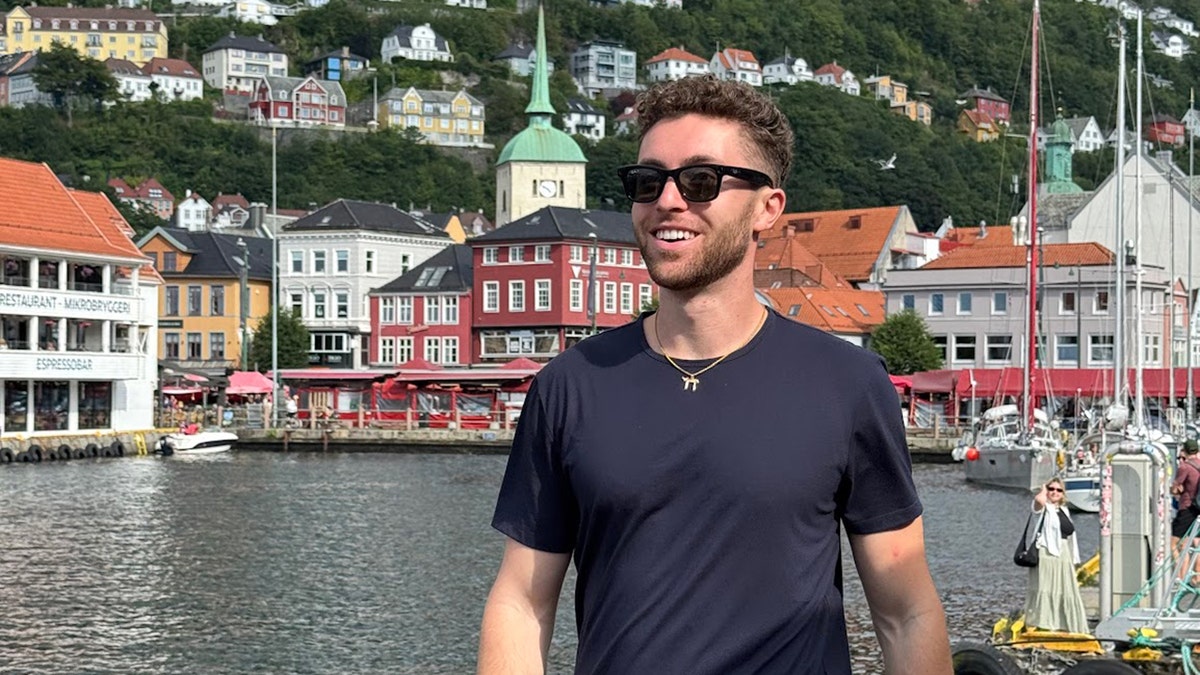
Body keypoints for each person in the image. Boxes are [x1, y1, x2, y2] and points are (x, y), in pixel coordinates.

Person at [478, 75, 951, 674]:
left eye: (700, 180)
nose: (668, 201)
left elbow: (906, 612)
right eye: (648, 181)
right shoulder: (571, 386)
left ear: (767, 208)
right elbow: (521, 603)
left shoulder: (848, 384)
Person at [1024, 478, 1088, 633]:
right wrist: (1044, 488)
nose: (1055, 492)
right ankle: (1044, 622)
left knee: (1065, 589)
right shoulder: (1042, 509)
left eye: (1059, 490)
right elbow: (1039, 500)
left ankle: (1065, 624)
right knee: (1046, 587)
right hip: (1047, 552)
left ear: (1063, 494)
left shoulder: (1064, 510)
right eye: (1051, 489)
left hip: (1063, 553)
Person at [1171, 439, 1200, 570]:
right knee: (1197, 543)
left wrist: (1176, 489)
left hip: (1187, 508)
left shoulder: (1185, 467)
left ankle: (1181, 577)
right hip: (1198, 509)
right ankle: (1197, 576)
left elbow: (1175, 489)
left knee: (1176, 544)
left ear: (1185, 451)